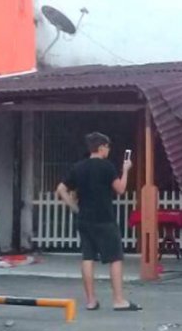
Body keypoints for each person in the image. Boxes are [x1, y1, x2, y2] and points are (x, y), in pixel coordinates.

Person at [56, 132, 141, 312]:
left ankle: (91, 300)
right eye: (108, 147)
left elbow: (61, 189)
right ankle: (118, 300)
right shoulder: (107, 167)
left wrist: (74, 207)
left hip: (84, 218)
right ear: (102, 147)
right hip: (104, 218)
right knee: (115, 258)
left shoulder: (78, 167)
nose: (109, 150)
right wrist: (125, 170)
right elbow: (120, 189)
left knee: (88, 257)